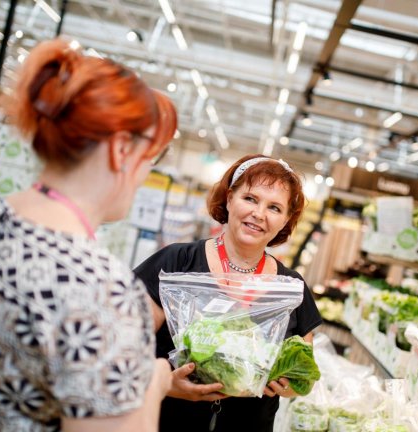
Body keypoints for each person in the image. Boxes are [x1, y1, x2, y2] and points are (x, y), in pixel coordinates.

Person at [0, 38, 177, 431]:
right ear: (121, 151)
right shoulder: (102, 289)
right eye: (148, 160)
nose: (143, 176)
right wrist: (155, 380)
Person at [134, 154, 323, 432]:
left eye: (274, 207)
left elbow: (303, 373)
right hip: (167, 420)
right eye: (250, 199)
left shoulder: (291, 287)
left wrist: (287, 385)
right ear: (229, 198)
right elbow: (120, 348)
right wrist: (165, 383)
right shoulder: (176, 263)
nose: (259, 214)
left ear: (285, 220)